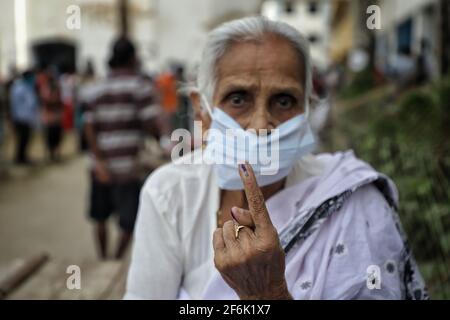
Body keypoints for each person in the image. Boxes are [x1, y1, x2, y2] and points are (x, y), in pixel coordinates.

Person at [125, 17, 428, 300]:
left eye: (283, 101)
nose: (260, 125)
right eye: (238, 99)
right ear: (202, 111)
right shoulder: (169, 193)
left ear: (307, 108)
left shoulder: (353, 200)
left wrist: (269, 293)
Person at [84, 37, 160, 260]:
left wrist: (99, 161)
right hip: (128, 166)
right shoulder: (140, 87)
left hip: (101, 167)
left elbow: (88, 127)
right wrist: (159, 137)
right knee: (129, 221)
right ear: (133, 57)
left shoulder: (96, 88)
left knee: (100, 217)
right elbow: (150, 124)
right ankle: (116, 260)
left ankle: (102, 260)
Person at [10, 70, 39, 164]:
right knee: (22, 139)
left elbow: (31, 102)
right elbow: (14, 104)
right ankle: (19, 158)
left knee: (26, 139)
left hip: (28, 117)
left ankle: (23, 157)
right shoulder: (18, 88)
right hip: (20, 118)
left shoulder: (28, 87)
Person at [37, 69, 64, 162]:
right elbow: (45, 101)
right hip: (49, 118)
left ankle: (56, 154)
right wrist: (52, 101)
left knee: (57, 136)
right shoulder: (45, 89)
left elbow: (60, 101)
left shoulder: (57, 88)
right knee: (49, 137)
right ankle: (50, 155)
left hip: (57, 117)